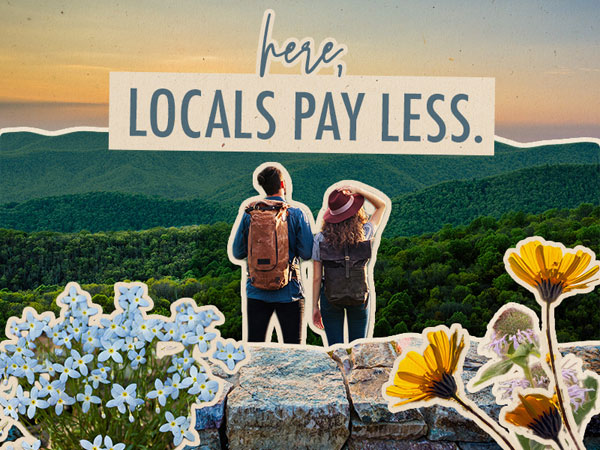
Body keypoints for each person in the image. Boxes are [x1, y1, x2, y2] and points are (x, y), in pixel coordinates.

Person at [231, 165, 313, 344]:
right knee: (294, 352)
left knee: (255, 349)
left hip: (256, 291)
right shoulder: (297, 214)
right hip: (289, 291)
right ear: (283, 184)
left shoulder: (250, 215)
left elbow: (237, 252)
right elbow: (307, 253)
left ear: (263, 187)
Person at [312, 184, 387, 346]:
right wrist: (360, 191)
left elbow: (317, 278)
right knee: (358, 348)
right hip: (358, 296)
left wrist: (314, 307)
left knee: (335, 350)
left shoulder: (320, 239)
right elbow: (382, 206)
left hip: (330, 297)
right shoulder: (364, 233)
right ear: (355, 212)